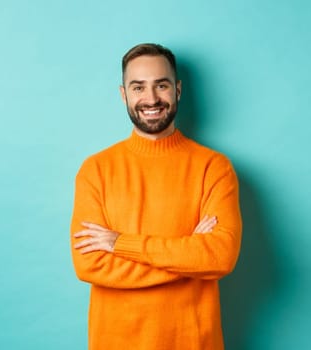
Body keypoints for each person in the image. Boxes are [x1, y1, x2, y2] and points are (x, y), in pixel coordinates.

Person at [69, 43, 242, 350]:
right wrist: (188, 259)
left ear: (177, 90)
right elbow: (89, 265)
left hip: (193, 342)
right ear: (124, 95)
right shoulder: (95, 169)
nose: (150, 99)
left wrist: (120, 244)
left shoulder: (213, 167)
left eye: (161, 85)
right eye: (138, 87)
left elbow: (219, 256)